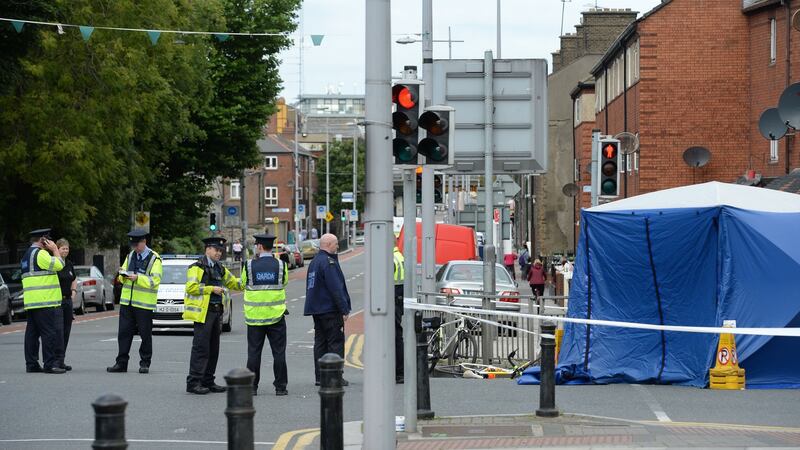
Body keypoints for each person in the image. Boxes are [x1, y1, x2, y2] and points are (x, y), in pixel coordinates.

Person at [184, 237, 243, 395]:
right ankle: (193, 382)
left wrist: (249, 277)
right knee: (201, 349)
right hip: (203, 313)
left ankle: (208, 381)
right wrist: (211, 289)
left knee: (213, 349)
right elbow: (191, 287)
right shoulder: (196, 267)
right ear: (207, 249)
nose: (219, 253)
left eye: (221, 250)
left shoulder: (219, 267)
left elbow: (234, 283)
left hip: (217, 311)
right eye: (216, 250)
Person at [107, 230, 162, 374]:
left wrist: (138, 278)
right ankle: (121, 363)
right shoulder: (131, 255)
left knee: (145, 335)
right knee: (124, 334)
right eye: (133, 245)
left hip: (144, 304)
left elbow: (154, 281)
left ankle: (145, 363)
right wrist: (122, 275)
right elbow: (121, 278)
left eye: (137, 245)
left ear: (144, 242)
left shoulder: (154, 259)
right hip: (127, 303)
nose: (135, 248)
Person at [243, 234, 289, 396]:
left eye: (256, 245)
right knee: (279, 352)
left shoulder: (248, 265)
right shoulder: (281, 265)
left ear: (260, 247)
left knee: (254, 353)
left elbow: (243, 283)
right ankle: (280, 387)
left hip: (255, 318)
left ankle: (252, 387)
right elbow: (284, 283)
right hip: (276, 317)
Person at [304, 233, 351, 386]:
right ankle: (334, 376)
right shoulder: (329, 263)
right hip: (330, 309)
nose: (338, 246)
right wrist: (344, 309)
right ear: (329, 244)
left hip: (317, 310)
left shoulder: (315, 262)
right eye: (336, 244)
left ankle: (320, 376)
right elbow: (336, 289)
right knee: (335, 343)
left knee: (320, 343)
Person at [22, 228, 66, 374]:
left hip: (32, 302)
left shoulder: (26, 255)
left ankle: (31, 364)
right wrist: (55, 249)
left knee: (32, 335)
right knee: (49, 334)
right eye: (48, 239)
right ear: (43, 240)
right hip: (45, 301)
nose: (51, 242)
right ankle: (50, 364)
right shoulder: (40, 254)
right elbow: (60, 265)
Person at [55, 238, 77, 371]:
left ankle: (61, 360)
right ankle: (55, 360)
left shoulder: (69, 264)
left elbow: (74, 279)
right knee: (58, 331)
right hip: (57, 301)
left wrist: (73, 293)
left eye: (67, 248)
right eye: (63, 248)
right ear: (57, 249)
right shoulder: (55, 265)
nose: (65, 251)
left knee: (66, 331)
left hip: (67, 301)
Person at [393, 245, 405, 384]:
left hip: (392, 303)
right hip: (398, 302)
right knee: (397, 337)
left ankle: (398, 372)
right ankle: (399, 372)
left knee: (395, 338)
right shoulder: (400, 256)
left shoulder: (390, 258)